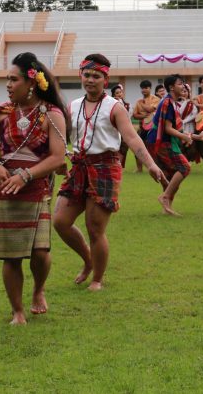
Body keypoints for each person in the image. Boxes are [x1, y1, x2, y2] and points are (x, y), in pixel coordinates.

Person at [54, 54, 165, 291]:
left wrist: (151, 165)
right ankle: (88, 260)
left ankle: (97, 278)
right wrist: (58, 157)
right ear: (81, 76)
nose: (90, 80)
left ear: (105, 79)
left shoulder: (114, 107)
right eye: (87, 75)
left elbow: (132, 138)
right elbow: (60, 135)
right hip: (79, 166)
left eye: (96, 76)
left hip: (105, 168)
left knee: (95, 228)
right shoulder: (73, 106)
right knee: (60, 221)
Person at [0, 52, 68, 325]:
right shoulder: (1, 113)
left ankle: (38, 289)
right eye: (7, 79)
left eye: (13, 79)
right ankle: (17, 310)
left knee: (40, 251)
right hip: (6, 187)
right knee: (11, 254)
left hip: (38, 187)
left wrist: (26, 176)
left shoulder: (52, 114)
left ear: (31, 82)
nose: (8, 85)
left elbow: (57, 157)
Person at [147, 74, 203, 216]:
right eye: (180, 83)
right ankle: (165, 197)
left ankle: (167, 208)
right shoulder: (168, 103)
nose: (183, 86)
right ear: (171, 87)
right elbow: (168, 129)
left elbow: (176, 128)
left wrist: (195, 136)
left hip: (161, 140)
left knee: (171, 176)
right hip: (160, 141)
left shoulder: (172, 103)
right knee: (185, 167)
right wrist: (185, 137)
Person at [131, 80, 158, 173]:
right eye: (142, 88)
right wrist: (144, 116)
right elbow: (134, 115)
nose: (144, 90)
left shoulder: (155, 99)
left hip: (153, 129)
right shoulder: (138, 101)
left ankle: (155, 168)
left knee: (153, 149)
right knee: (137, 147)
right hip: (142, 128)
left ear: (150, 88)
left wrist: (142, 105)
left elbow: (151, 109)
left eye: (146, 88)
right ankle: (139, 169)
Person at [110, 84, 130, 167]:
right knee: (114, 148)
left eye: (120, 92)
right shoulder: (111, 104)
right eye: (117, 93)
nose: (119, 94)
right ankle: (115, 165)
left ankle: (120, 166)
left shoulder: (127, 105)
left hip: (124, 130)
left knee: (124, 147)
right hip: (114, 130)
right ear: (113, 95)